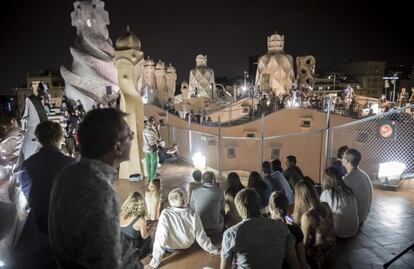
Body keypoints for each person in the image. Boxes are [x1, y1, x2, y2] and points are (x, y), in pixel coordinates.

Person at [49, 108, 138, 269]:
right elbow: (107, 263)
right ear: (117, 147)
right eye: (129, 135)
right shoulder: (98, 190)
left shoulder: (70, 173)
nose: (132, 139)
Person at [220, 188, 300, 269]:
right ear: (259, 204)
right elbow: (294, 263)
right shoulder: (282, 227)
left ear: (239, 209)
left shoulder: (230, 234)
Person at [21, 121, 76, 234]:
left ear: (38, 139)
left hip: (42, 222)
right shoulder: (71, 163)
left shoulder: (27, 164)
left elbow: (28, 193)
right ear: (60, 137)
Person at [150, 188, 219, 268]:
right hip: (187, 245)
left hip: (171, 248)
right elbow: (201, 236)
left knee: (156, 232)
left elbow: (160, 239)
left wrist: (154, 262)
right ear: (185, 201)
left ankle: (157, 254)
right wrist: (213, 250)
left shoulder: (165, 214)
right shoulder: (193, 214)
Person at [293, 180, 335, 269]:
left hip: (317, 256)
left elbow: (304, 244)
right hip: (329, 250)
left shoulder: (307, 217)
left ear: (300, 197)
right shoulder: (325, 205)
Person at [269, 191, 310, 269]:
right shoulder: (295, 230)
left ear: (270, 208)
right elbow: (303, 263)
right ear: (287, 208)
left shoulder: (265, 231)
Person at [320, 168, 359, 238]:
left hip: (340, 231)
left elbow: (321, 213)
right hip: (354, 228)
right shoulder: (348, 190)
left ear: (326, 180)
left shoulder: (327, 193)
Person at [342, 149, 373, 224]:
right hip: (363, 216)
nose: (341, 159)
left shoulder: (348, 179)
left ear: (347, 161)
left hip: (356, 218)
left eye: (343, 157)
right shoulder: (363, 174)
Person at [190, 171, 225, 236]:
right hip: (216, 229)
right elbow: (222, 208)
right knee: (222, 213)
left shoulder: (195, 192)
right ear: (213, 180)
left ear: (202, 180)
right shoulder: (220, 191)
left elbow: (192, 209)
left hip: (199, 229)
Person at [120, 191, 152, 260]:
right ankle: (146, 254)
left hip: (120, 243)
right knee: (148, 238)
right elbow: (144, 236)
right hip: (130, 247)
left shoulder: (120, 213)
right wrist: (150, 229)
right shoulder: (141, 220)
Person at [143, 117, 159, 181]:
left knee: (148, 163)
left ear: (147, 122)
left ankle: (149, 177)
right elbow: (158, 137)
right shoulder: (152, 130)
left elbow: (144, 138)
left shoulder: (144, 129)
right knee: (153, 163)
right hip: (153, 147)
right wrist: (156, 129)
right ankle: (153, 177)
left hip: (146, 148)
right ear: (152, 122)